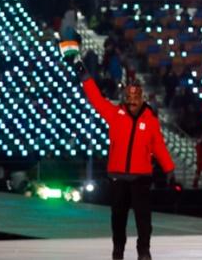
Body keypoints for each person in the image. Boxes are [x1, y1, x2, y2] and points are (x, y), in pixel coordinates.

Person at [75, 63, 175, 260]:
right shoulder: (115, 114)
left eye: (135, 97)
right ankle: (118, 250)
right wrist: (85, 77)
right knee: (118, 219)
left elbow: (158, 146)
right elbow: (96, 100)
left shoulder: (151, 120)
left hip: (141, 178)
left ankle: (144, 251)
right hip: (118, 176)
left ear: (142, 98)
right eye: (128, 97)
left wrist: (169, 168)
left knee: (143, 219)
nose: (131, 101)